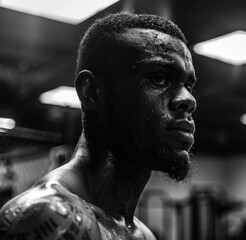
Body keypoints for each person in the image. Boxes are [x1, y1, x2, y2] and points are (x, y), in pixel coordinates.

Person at [0, 12, 197, 240]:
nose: (189, 100)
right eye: (159, 78)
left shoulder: (142, 234)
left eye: (188, 86)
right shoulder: (46, 217)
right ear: (91, 91)